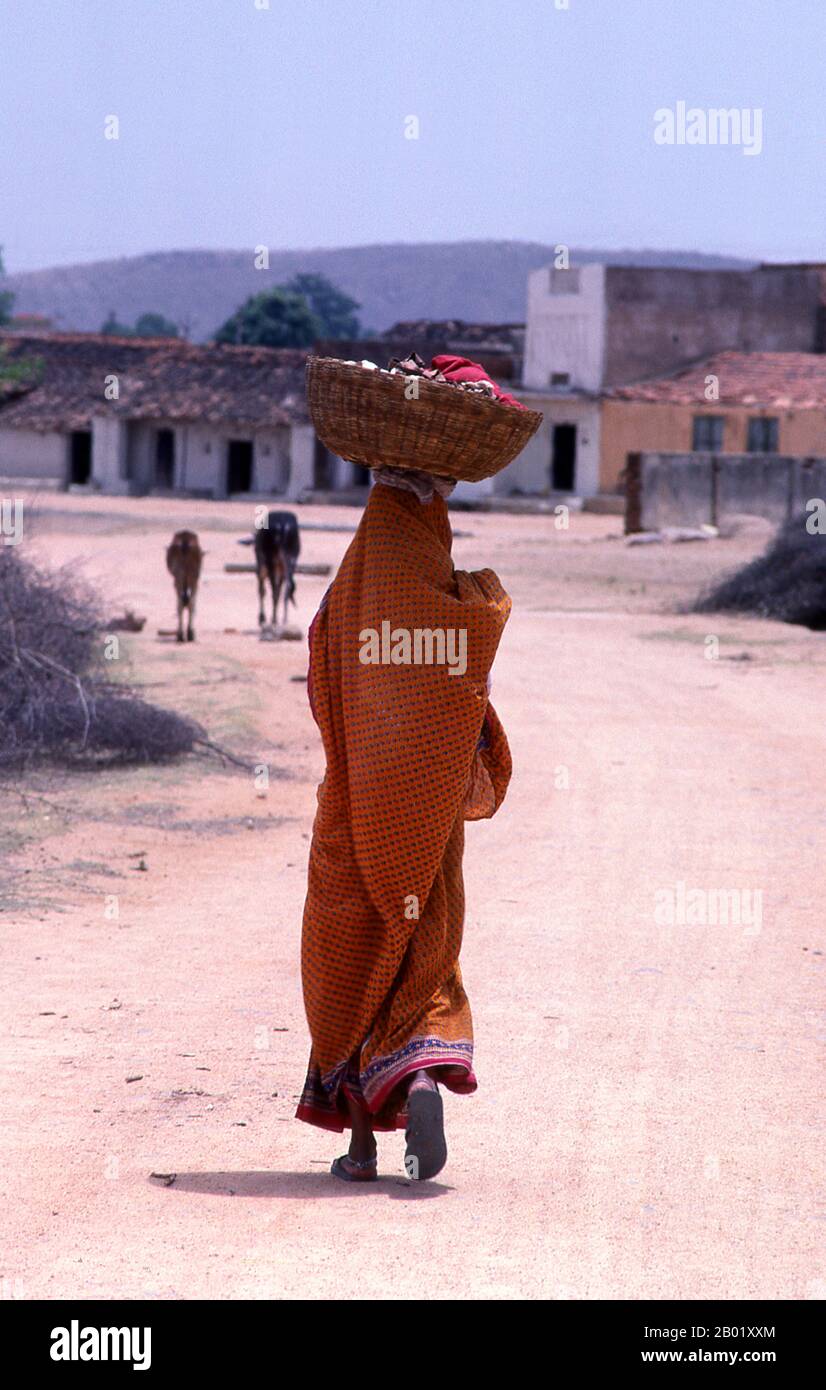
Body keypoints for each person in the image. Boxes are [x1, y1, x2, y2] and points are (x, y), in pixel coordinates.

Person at [295, 462, 512, 1181]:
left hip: (355, 812)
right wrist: (478, 590)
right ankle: (420, 1077)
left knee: (349, 960)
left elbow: (322, 687)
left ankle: (361, 1146)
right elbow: (471, 669)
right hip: (427, 817)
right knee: (422, 952)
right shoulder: (450, 597)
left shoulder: (347, 596)